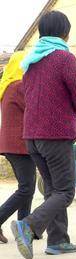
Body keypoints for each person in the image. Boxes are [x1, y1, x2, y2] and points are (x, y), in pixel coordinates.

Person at [10, 10, 76, 259]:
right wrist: (71, 111)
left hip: (32, 137)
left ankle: (58, 240)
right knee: (65, 191)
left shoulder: (30, 63)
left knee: (53, 190)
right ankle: (28, 225)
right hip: (55, 135)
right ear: (65, 33)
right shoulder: (64, 58)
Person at [0, 51, 36, 244]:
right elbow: (36, 108)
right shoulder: (19, 86)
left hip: (13, 144)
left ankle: (24, 227)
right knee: (26, 189)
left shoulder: (7, 86)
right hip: (19, 144)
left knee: (27, 187)